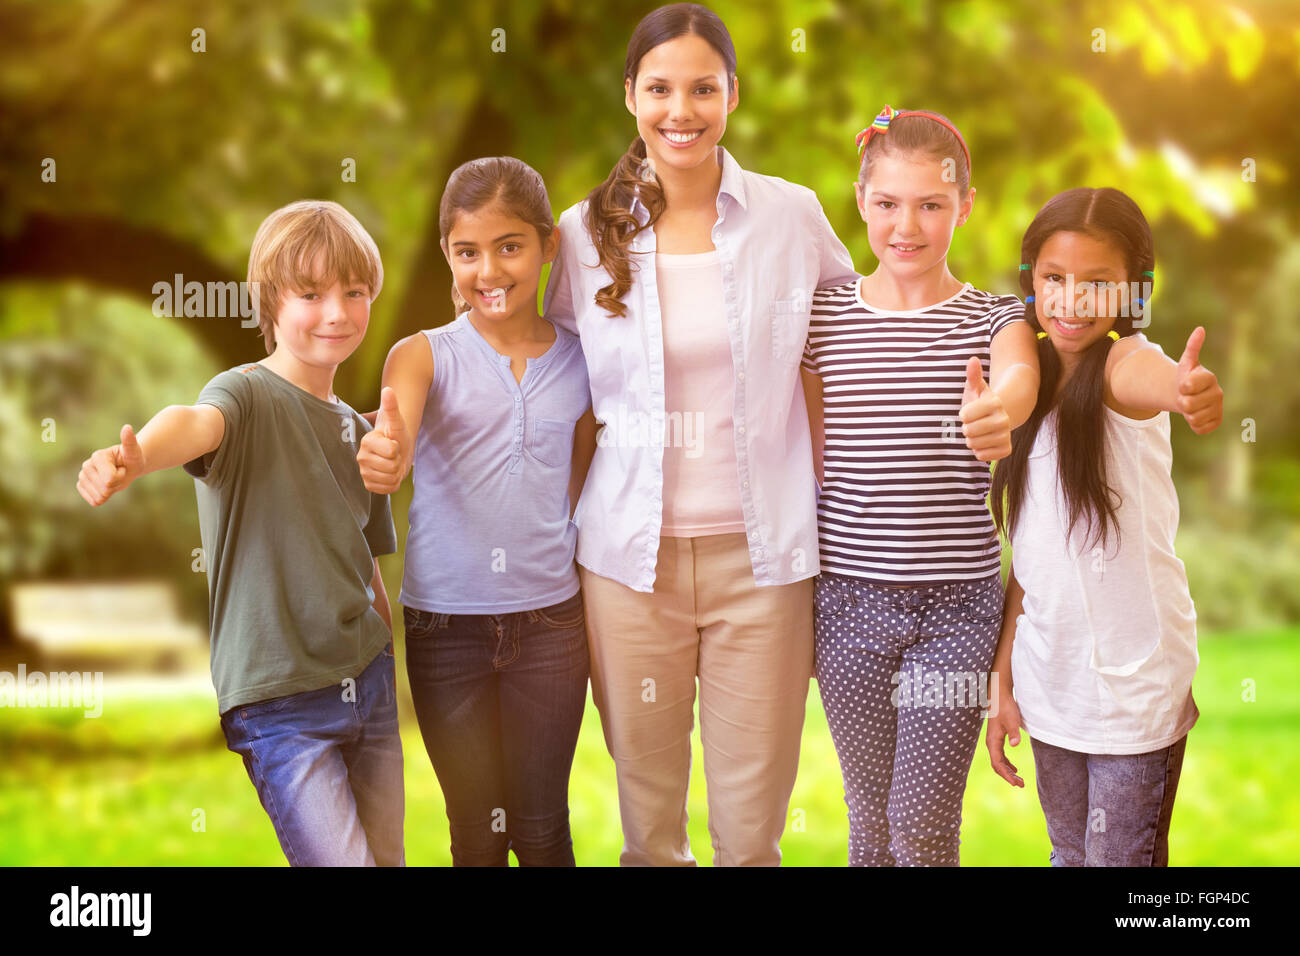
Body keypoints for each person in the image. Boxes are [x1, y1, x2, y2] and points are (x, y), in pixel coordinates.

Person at [542, 2, 858, 866]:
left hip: (763, 565)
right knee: (648, 831)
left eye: (702, 88)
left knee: (752, 835)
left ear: (733, 95)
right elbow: (547, 379)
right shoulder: (580, 233)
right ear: (630, 96)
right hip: (625, 564)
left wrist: (1008, 344)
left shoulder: (790, 217)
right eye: (660, 88)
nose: (680, 110)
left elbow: (857, 339)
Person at [76, 199, 404, 866]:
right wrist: (136, 459)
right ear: (270, 302)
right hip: (280, 703)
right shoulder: (245, 395)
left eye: (354, 291)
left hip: (366, 679)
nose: (337, 311)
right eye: (311, 294)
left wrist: (384, 639)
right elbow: (192, 422)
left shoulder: (360, 432)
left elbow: (362, 556)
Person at [799, 105, 1040, 866]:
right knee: (869, 821)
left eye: (932, 204)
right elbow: (801, 446)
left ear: (964, 206)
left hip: (956, 611)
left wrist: (996, 413)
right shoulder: (824, 316)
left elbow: (1019, 380)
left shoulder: (995, 318)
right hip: (846, 604)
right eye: (888, 204)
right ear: (860, 202)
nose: (909, 225)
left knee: (923, 825)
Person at [357, 157, 597, 866]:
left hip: (553, 623)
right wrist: (386, 454)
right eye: (468, 252)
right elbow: (393, 431)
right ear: (448, 257)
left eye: (509, 246)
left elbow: (583, 482)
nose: (488, 270)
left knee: (542, 829)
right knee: (479, 836)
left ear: (549, 245)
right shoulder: (421, 355)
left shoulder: (584, 361)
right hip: (444, 629)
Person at [985, 186, 1223, 866]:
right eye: (1054, 279)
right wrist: (1003, 679)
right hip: (1050, 687)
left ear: (1133, 291)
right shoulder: (1023, 381)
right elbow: (1030, 568)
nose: (1070, 301)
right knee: (1068, 857)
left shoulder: (1124, 365)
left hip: (1133, 695)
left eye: (1098, 284)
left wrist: (1185, 392)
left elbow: (1152, 378)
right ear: (1031, 280)